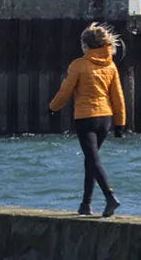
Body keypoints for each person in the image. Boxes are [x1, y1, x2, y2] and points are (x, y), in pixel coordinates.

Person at [49, 23, 127, 217]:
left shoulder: (79, 65)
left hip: (86, 118)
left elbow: (65, 91)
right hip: (106, 118)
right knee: (90, 160)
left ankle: (110, 197)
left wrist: (52, 108)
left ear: (86, 45)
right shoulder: (111, 66)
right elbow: (118, 97)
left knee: (93, 159)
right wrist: (120, 124)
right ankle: (86, 204)